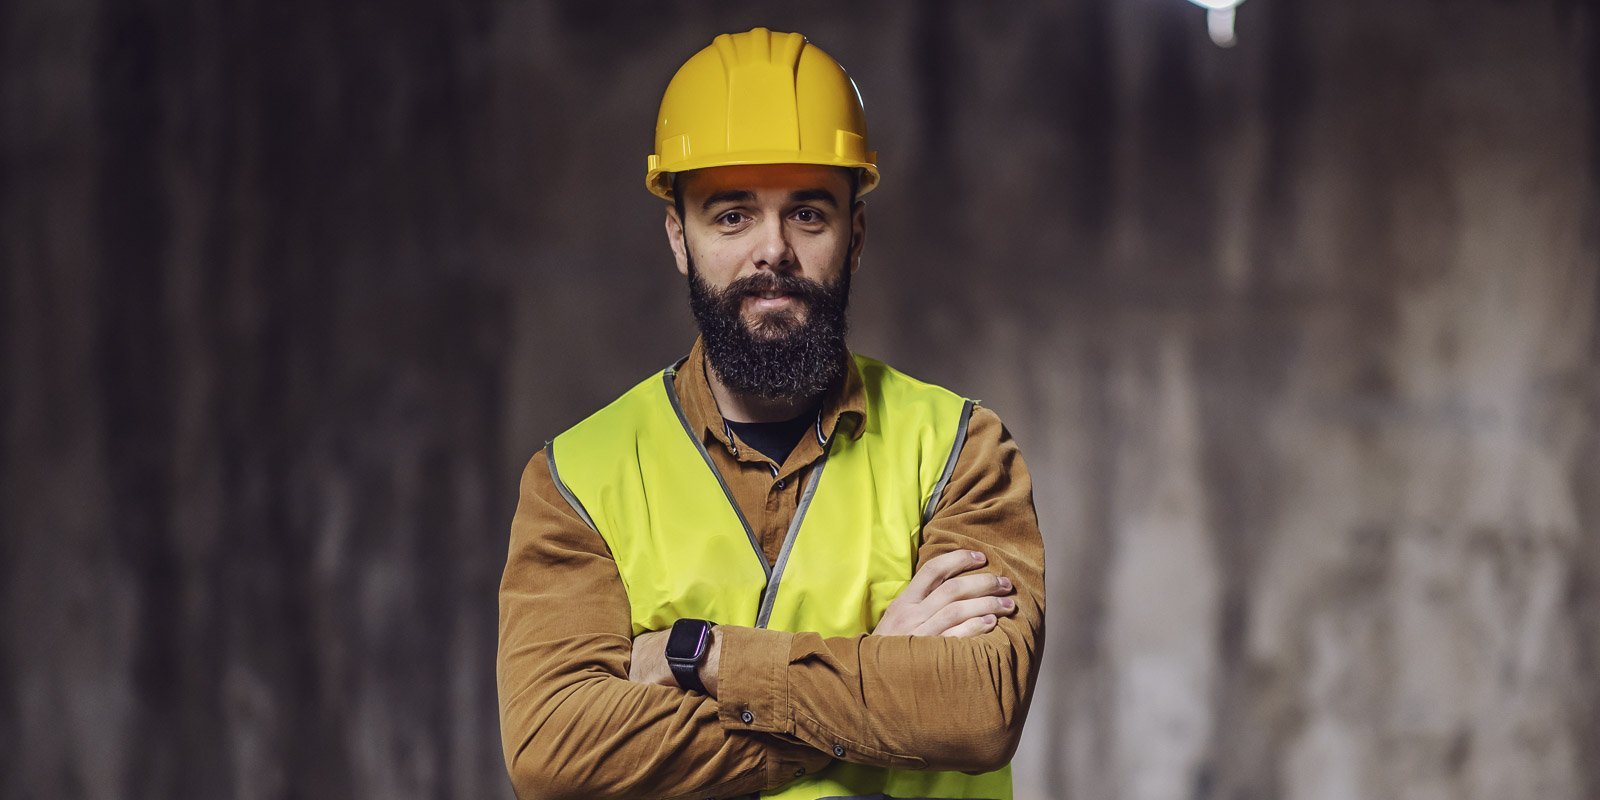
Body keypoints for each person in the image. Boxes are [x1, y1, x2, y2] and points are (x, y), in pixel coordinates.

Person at [497, 27, 1045, 800]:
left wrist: (702, 657)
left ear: (854, 236)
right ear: (678, 238)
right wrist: (876, 671)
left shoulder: (958, 450)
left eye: (809, 215)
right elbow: (557, 754)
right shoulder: (577, 482)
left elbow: (977, 711)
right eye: (731, 216)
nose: (773, 251)